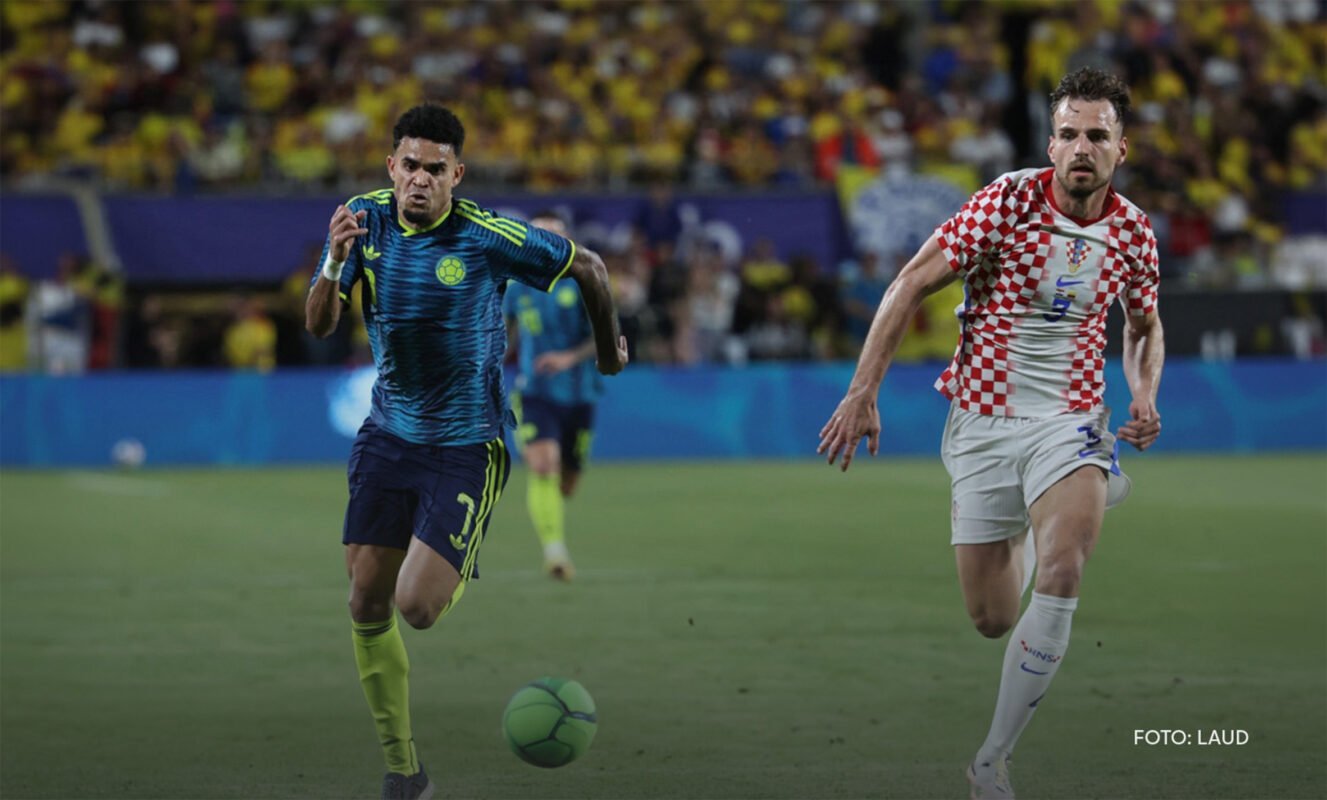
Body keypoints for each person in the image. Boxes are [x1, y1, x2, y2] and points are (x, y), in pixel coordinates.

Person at [817, 67, 1164, 800]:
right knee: (992, 618)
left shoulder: (1134, 233)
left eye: (1096, 135)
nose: (1081, 147)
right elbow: (910, 283)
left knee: (1064, 571)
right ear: (1050, 143)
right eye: (1068, 134)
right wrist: (862, 390)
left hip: (1071, 419)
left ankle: (991, 761)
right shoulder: (1004, 203)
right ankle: (1041, 512)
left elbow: (1142, 325)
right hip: (982, 420)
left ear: (1120, 148)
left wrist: (1143, 391)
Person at [305, 104, 628, 800]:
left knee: (416, 607)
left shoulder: (489, 237)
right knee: (364, 600)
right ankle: (404, 773)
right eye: (409, 165)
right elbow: (320, 324)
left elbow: (591, 267)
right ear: (392, 166)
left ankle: (452, 553)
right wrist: (332, 260)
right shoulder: (361, 222)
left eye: (435, 168)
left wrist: (608, 353)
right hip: (387, 435)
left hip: (464, 446)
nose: (420, 179)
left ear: (457, 174)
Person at [502, 210, 603, 580]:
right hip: (535, 391)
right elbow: (504, 334)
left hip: (580, 393)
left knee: (567, 483)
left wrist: (567, 358)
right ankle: (555, 552)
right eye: (539, 236)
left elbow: (605, 338)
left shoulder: (584, 282)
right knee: (543, 465)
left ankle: (551, 517)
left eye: (554, 236)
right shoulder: (516, 286)